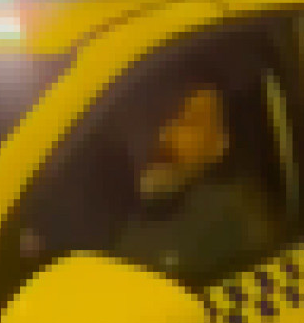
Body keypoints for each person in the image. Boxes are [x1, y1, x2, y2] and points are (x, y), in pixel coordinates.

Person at [115, 82, 277, 287]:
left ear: (220, 144)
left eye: (188, 122)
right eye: (160, 118)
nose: (164, 134)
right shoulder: (123, 210)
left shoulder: (235, 217)